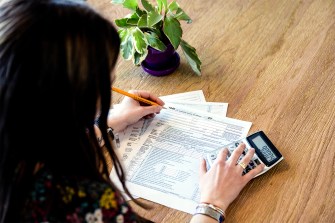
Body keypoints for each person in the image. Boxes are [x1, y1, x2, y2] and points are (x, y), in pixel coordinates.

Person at [0, 0, 265, 222]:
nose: (112, 84)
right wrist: (211, 203)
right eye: (105, 80)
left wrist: (107, 123)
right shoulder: (80, 201)